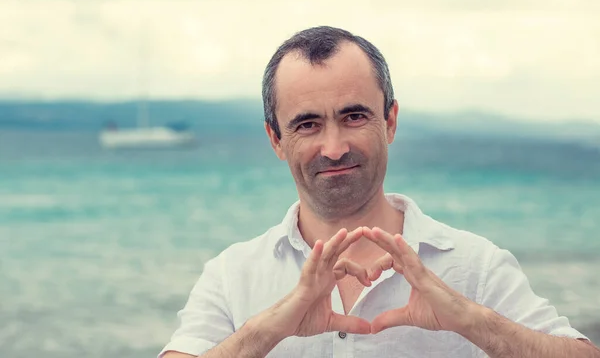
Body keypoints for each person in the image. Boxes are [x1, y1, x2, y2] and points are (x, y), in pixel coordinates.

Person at [159, 26, 599, 357]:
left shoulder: (475, 264)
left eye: (354, 117)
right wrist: (270, 329)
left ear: (389, 121)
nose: (334, 147)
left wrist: (470, 321)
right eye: (307, 124)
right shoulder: (232, 274)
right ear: (276, 140)